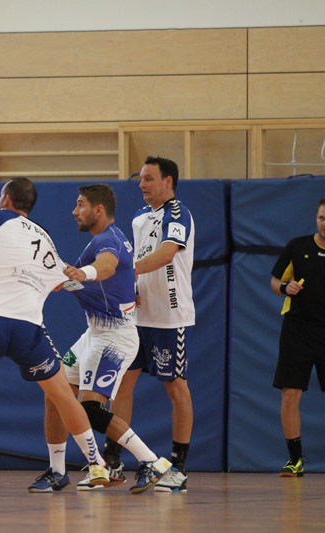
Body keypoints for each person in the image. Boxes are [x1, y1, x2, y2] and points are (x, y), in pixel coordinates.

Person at [0, 125, 109, 496]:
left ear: (7, 199)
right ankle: (98, 465)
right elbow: (65, 283)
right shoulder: (45, 238)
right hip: (29, 329)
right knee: (63, 394)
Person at [31, 184, 170, 495]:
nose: (74, 211)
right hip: (93, 334)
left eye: (80, 204)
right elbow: (70, 280)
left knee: (90, 408)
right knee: (56, 395)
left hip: (114, 337)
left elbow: (105, 267)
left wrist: (85, 274)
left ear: (98, 210)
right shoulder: (98, 241)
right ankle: (57, 471)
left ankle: (152, 462)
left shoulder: (109, 240)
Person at [105, 156, 195, 493]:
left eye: (149, 178)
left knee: (176, 387)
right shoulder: (140, 217)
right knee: (122, 385)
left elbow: (167, 254)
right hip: (137, 317)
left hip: (168, 316)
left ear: (168, 182)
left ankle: (178, 467)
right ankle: (113, 462)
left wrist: (126, 272)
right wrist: (130, 286)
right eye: (141, 178)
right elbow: (140, 259)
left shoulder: (178, 213)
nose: (141, 184)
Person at [270, 198, 325, 477]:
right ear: (316, 218)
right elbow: (274, 281)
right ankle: (295, 460)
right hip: (297, 330)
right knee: (290, 395)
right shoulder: (297, 246)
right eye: (322, 218)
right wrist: (285, 287)